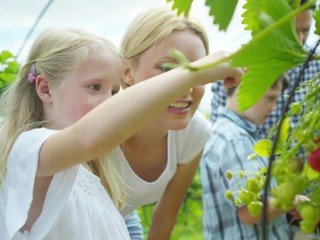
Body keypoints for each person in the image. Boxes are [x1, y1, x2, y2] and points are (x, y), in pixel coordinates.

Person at [0, 27, 242, 240]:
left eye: (115, 92)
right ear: (45, 88)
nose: (108, 101)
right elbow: (87, 139)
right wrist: (195, 72)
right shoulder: (30, 148)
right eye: (95, 87)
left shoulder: (89, 168)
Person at [116, 7, 215, 240]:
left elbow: (166, 217)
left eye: (198, 70)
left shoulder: (194, 133)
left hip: (122, 220)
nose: (186, 85)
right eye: (168, 69)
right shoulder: (99, 127)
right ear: (127, 71)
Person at [201, 77, 307, 239]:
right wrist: (294, 200)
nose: (274, 108)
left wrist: (281, 207)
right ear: (245, 89)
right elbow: (251, 211)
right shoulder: (236, 139)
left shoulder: (228, 132)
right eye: (271, 98)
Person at [210, 0, 320, 141]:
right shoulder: (235, 66)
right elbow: (218, 133)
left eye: (305, 31)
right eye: (290, 31)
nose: (299, 40)